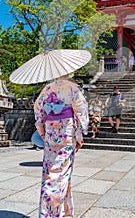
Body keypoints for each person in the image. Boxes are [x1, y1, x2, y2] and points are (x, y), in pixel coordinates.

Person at [34, 74, 89, 218]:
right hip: (66, 132)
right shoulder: (72, 88)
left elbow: (38, 110)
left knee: (50, 171)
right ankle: (52, 213)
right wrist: (81, 133)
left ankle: (65, 212)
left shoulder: (47, 89)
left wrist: (42, 132)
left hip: (51, 133)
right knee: (63, 173)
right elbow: (81, 111)